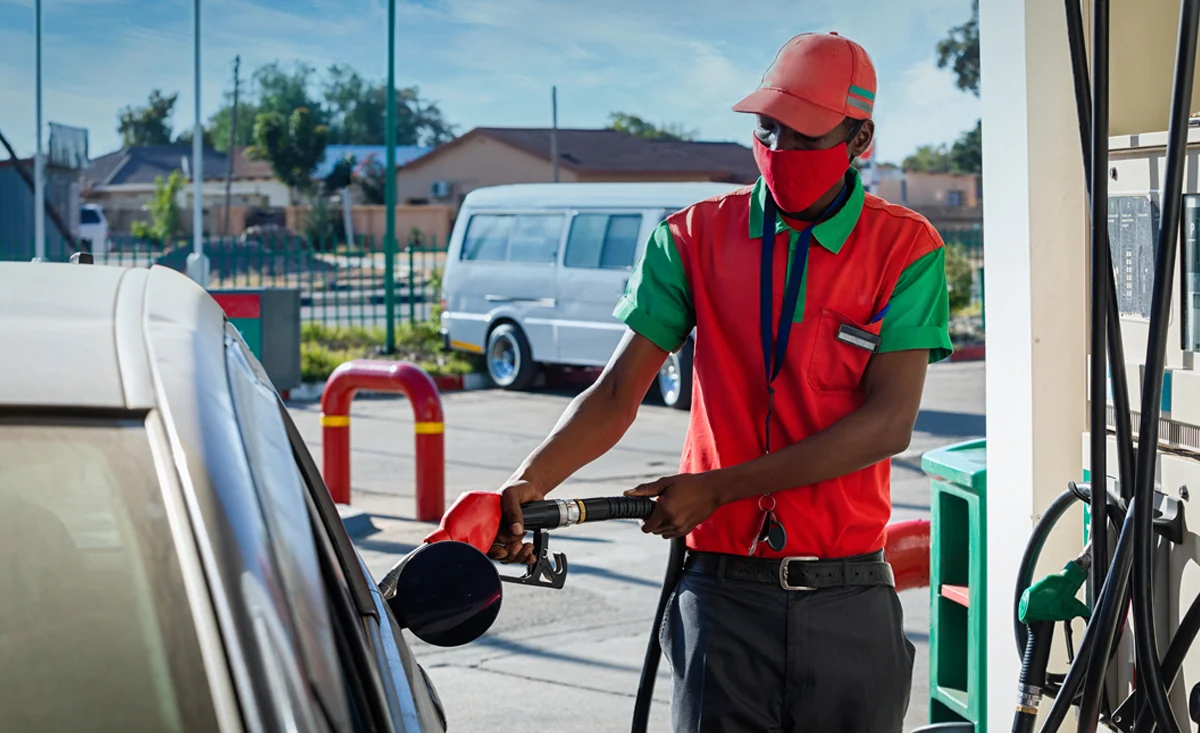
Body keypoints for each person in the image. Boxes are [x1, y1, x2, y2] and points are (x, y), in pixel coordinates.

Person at [490, 31, 952, 732]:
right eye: (767, 129)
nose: (779, 150)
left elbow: (888, 424)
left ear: (860, 138)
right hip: (722, 596)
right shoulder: (692, 237)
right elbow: (618, 393)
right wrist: (531, 481)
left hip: (847, 593)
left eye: (803, 135)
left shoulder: (904, 249)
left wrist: (715, 488)